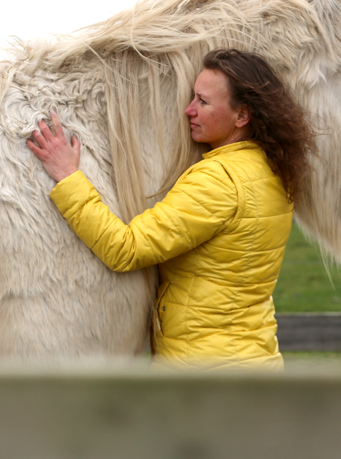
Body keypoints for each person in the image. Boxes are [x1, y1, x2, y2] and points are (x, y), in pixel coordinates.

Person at [27, 48, 313, 370]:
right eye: (193, 97)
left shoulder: (218, 181)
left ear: (242, 116)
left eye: (203, 102)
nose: (189, 110)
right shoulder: (270, 170)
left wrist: (68, 176)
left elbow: (126, 248)